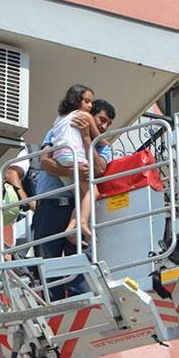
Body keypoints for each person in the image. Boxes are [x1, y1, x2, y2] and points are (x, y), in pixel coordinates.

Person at [33, 97, 116, 300]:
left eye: (108, 124)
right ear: (86, 115)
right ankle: (54, 308)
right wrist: (72, 170)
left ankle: (84, 303)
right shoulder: (59, 130)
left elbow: (99, 169)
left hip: (78, 206)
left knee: (79, 264)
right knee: (47, 262)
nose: (104, 127)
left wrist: (88, 138)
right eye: (101, 119)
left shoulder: (104, 146)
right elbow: (45, 163)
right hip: (51, 205)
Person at [48, 85, 103, 242]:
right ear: (76, 100)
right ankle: (83, 222)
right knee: (93, 191)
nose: (90, 106)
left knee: (81, 198)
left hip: (60, 157)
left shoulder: (59, 118)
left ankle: (70, 230)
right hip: (75, 155)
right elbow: (99, 138)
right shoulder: (83, 115)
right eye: (87, 101)